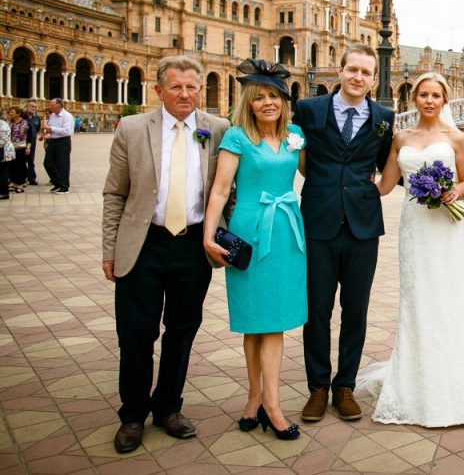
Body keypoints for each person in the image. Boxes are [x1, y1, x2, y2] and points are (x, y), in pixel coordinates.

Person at [101, 56, 230, 454]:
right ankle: (133, 415)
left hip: (194, 244)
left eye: (192, 87)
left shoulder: (218, 129)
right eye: (176, 87)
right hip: (144, 243)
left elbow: (228, 189)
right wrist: (109, 249)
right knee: (136, 333)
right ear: (158, 90)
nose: (186, 94)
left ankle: (169, 408)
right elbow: (114, 193)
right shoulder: (133, 128)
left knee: (182, 329)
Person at [366, 71, 464, 427]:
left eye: (436, 95)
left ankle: (458, 387)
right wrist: (347, 186)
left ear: (445, 100)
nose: (429, 101)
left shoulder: (457, 138)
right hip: (415, 227)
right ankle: (414, 385)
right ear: (414, 99)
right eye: (423, 95)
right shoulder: (400, 137)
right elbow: (386, 184)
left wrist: (454, 192)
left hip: (450, 229)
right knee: (418, 300)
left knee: (452, 300)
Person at [204, 59, 307, 440]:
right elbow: (220, 188)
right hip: (250, 230)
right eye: (260, 97)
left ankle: (272, 404)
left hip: (287, 233)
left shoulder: (296, 135)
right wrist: (209, 234)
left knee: (275, 322)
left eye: (275, 97)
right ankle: (254, 398)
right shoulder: (237, 137)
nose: (268, 103)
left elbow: (314, 174)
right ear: (248, 102)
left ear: (284, 101)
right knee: (253, 320)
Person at [293, 43, 395, 422]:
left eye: (366, 72)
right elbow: (299, 159)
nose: (358, 77)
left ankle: (345, 385)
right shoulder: (308, 110)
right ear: (340, 71)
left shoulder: (384, 115)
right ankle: (317, 387)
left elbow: (388, 164)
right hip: (317, 223)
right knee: (316, 309)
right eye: (352, 69)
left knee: (356, 309)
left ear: (374, 78)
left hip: (363, 226)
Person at [41, 98, 74, 193]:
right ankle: (57, 183)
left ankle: (64, 186)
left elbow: (67, 131)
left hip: (63, 142)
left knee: (62, 164)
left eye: (51, 105)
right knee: (47, 163)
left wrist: (50, 128)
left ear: (58, 106)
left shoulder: (67, 116)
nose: (49, 107)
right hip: (52, 141)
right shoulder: (53, 116)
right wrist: (46, 134)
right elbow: (51, 130)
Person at [7, 108, 28, 192]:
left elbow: (22, 135)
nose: (10, 113)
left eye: (12, 112)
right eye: (10, 112)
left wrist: (10, 140)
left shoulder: (24, 123)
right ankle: (13, 182)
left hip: (20, 147)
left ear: (18, 114)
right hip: (11, 146)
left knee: (20, 165)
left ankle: (20, 184)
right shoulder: (11, 122)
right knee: (12, 164)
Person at [24, 102, 40, 185]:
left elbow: (37, 129)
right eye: (32, 106)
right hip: (22, 142)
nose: (34, 108)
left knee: (31, 160)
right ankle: (22, 177)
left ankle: (31, 178)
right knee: (22, 160)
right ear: (27, 106)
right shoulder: (22, 117)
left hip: (32, 142)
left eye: (35, 107)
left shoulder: (37, 118)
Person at [0, 117, 12, 200]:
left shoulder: (2, 125)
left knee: (2, 173)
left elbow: (3, 140)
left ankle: (4, 193)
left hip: (3, 151)